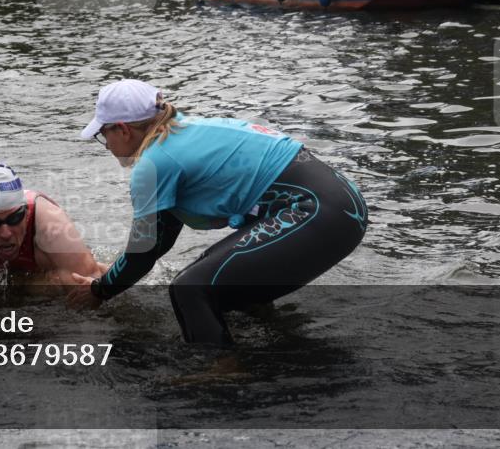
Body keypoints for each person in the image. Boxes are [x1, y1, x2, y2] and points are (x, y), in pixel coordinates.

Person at [67, 79, 368, 345]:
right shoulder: (184, 133)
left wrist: (99, 291)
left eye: (103, 134)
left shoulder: (154, 164)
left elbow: (143, 253)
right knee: (216, 277)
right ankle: (277, 345)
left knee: (190, 289)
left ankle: (220, 372)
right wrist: (116, 274)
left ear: (122, 129)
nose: (106, 145)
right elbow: (159, 240)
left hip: (317, 212)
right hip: (340, 202)